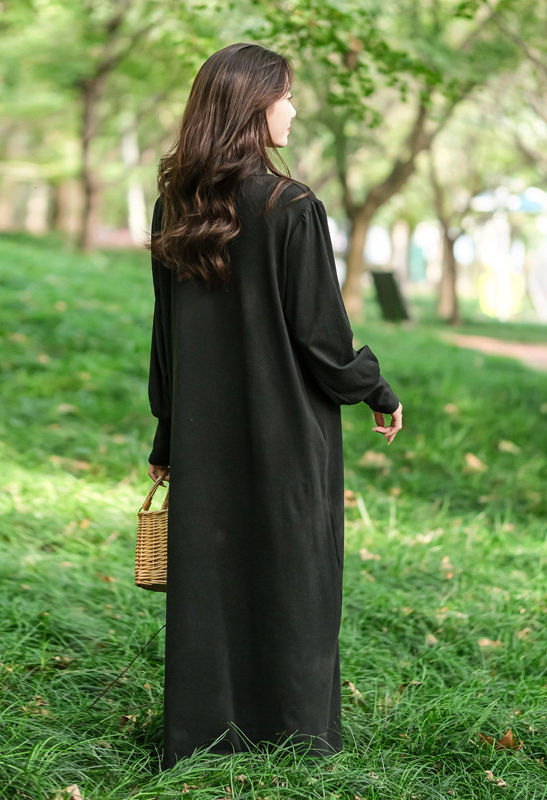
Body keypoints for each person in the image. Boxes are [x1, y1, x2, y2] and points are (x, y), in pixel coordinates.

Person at [146, 42, 402, 768]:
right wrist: (374, 388)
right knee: (296, 573)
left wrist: (168, 434)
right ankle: (295, 736)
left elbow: (167, 336)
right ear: (253, 106)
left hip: (202, 433)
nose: (294, 108)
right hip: (289, 427)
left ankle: (203, 737)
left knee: (210, 578)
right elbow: (321, 336)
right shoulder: (291, 206)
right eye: (286, 95)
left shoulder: (175, 206)